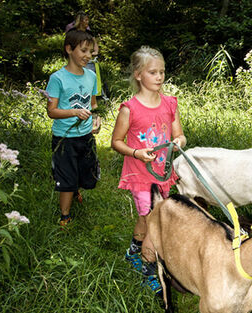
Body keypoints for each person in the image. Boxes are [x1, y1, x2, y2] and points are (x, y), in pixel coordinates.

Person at [111, 46, 186, 294]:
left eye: (162, 72)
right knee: (155, 220)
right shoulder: (129, 108)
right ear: (138, 75)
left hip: (162, 174)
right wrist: (136, 153)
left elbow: (179, 135)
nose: (159, 77)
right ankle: (149, 270)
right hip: (140, 175)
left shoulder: (170, 104)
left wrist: (178, 143)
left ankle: (134, 251)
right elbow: (116, 142)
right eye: (153, 72)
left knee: (146, 218)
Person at [45, 30, 102, 227]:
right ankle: (65, 216)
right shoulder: (57, 79)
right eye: (83, 50)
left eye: (91, 52)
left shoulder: (91, 76)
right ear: (69, 49)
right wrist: (74, 113)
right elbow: (51, 111)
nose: (88, 56)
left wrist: (96, 120)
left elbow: (93, 105)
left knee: (88, 175)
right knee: (66, 177)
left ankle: (75, 187)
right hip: (64, 138)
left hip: (85, 135)